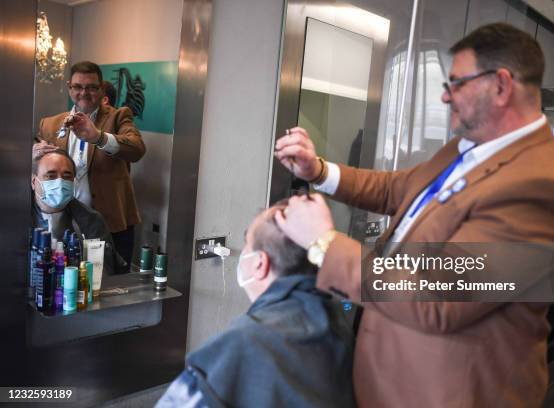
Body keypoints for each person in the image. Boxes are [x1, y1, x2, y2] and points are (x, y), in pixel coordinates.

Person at [274, 23, 554, 407]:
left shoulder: (545, 189)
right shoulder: (468, 148)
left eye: (456, 83)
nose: (445, 97)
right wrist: (319, 172)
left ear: (501, 85)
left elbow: (438, 297)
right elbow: (399, 189)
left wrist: (324, 243)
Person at [156, 202, 356, 408]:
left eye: (246, 244)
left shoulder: (243, 342)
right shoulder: (337, 319)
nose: (243, 252)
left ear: (260, 264)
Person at [33, 61, 145, 272]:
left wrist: (98, 137)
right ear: (69, 88)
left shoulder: (118, 116)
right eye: (78, 87)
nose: (84, 93)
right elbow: (37, 169)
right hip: (64, 223)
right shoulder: (50, 124)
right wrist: (32, 155)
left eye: (92, 87)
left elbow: (137, 149)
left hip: (111, 222)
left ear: (101, 88)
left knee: (113, 282)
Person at [32, 149, 126, 274]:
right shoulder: (14, 217)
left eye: (67, 176)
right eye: (51, 176)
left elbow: (102, 272)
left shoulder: (91, 220)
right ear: (34, 182)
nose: (60, 182)